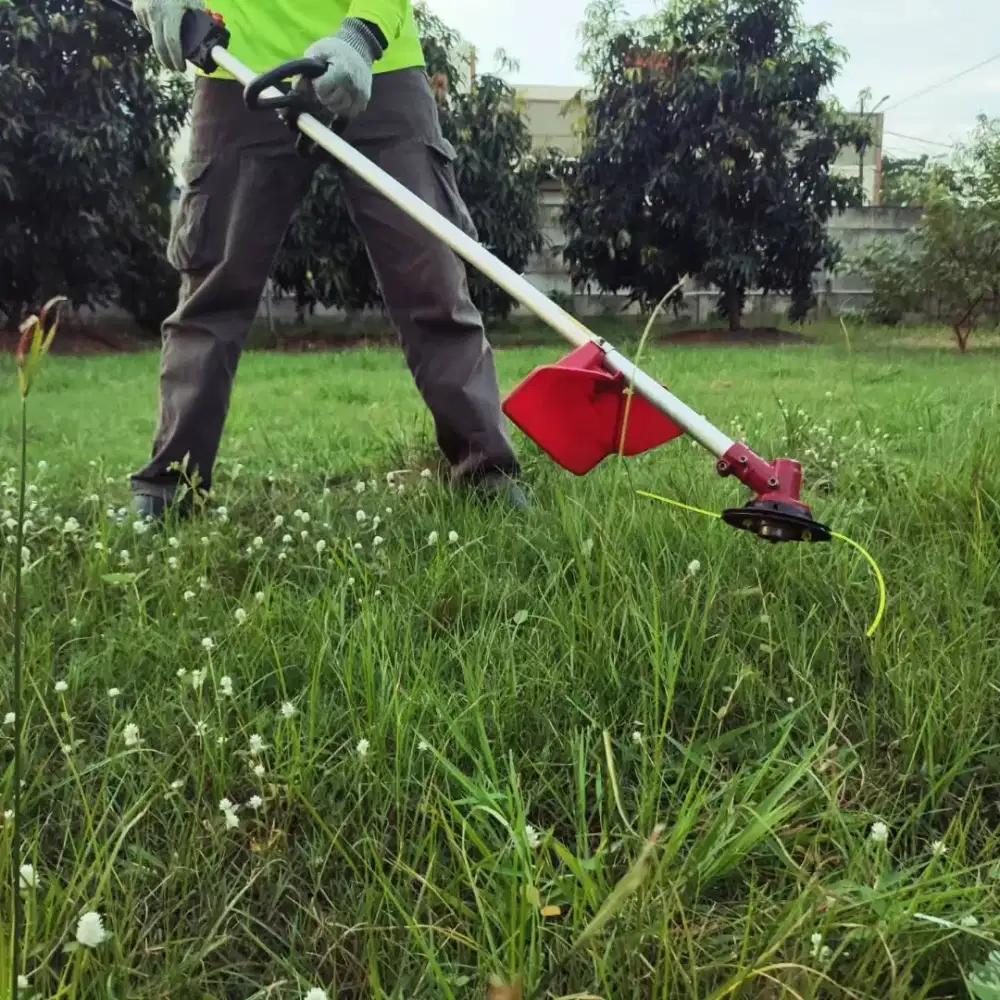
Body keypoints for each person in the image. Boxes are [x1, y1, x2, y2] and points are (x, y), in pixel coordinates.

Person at [129, 0, 528, 520]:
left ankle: (487, 473)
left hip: (377, 67)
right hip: (238, 64)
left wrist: (361, 37)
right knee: (212, 291)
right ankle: (168, 490)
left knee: (430, 280)